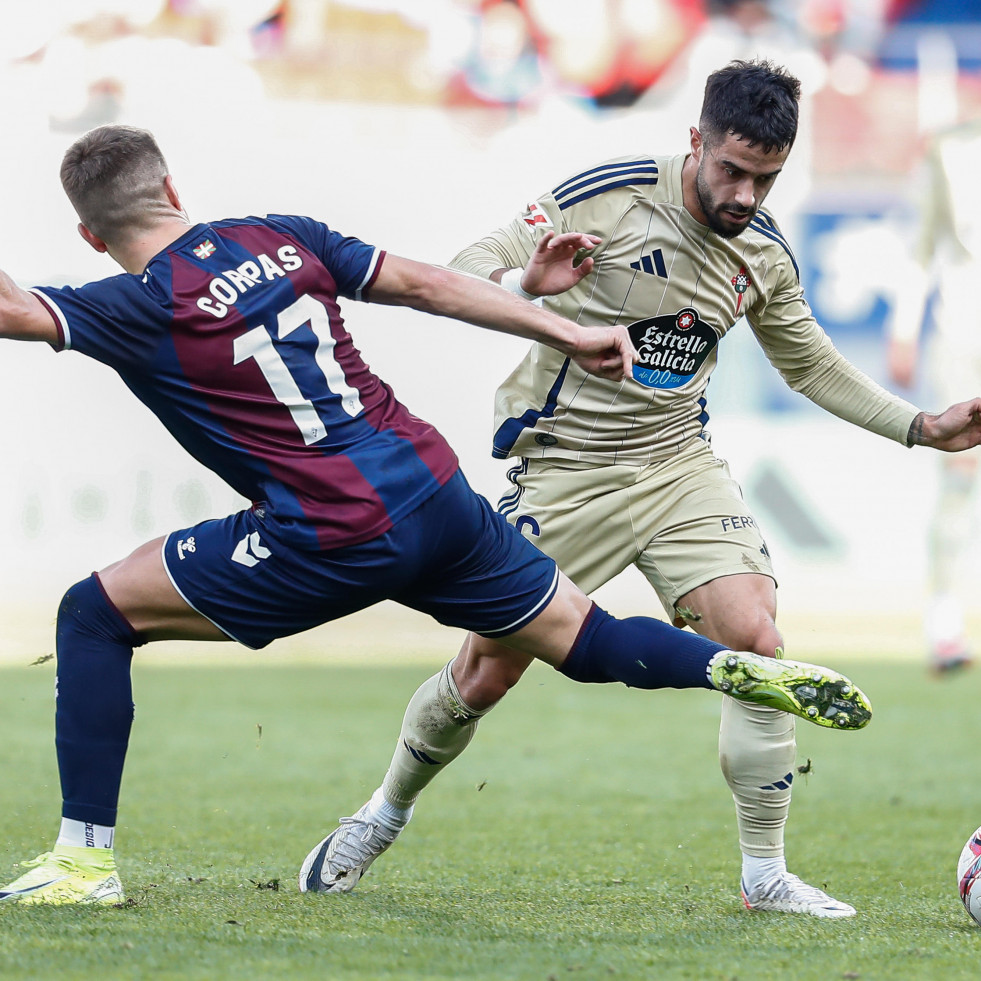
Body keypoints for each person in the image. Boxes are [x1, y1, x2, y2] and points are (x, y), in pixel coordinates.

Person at [0, 124, 873, 906]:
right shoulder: (282, 237)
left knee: (93, 613)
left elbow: (11, 307)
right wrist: (563, 329)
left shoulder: (133, 302)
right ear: (175, 191)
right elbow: (425, 283)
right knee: (584, 635)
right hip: (434, 489)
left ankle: (83, 861)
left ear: (90, 233)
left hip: (324, 531)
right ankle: (723, 667)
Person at [314, 59, 981, 918]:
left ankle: (764, 871)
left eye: (765, 177)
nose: (745, 194)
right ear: (694, 139)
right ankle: (380, 813)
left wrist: (920, 427)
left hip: (674, 464)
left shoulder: (762, 254)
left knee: (755, 639)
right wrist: (527, 287)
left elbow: (808, 361)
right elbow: (461, 270)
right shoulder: (609, 197)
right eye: (732, 169)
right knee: (486, 672)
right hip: (564, 465)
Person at [887, 118, 981, 674]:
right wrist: (905, 325)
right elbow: (921, 245)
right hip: (964, 333)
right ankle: (945, 623)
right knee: (961, 473)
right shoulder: (952, 149)